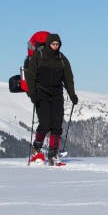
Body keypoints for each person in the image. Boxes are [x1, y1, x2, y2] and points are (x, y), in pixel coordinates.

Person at [25, 33, 78, 165]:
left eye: (57, 44)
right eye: (53, 44)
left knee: (56, 125)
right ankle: (37, 148)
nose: (55, 46)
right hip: (41, 93)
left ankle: (53, 154)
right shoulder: (39, 57)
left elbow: (68, 78)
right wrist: (32, 94)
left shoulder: (62, 59)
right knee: (45, 123)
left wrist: (72, 95)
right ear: (48, 44)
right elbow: (30, 76)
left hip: (57, 94)